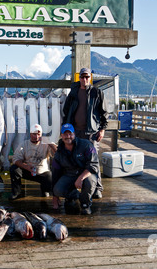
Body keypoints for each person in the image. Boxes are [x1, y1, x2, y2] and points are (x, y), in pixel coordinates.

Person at [62, 67, 108, 198]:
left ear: (90, 78)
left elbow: (104, 113)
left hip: (91, 132)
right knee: (76, 159)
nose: (85, 79)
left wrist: (102, 129)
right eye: (82, 77)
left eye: (87, 77)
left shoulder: (97, 92)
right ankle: (78, 185)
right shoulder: (73, 93)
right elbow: (66, 111)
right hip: (75, 132)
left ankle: (98, 187)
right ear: (79, 78)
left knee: (93, 159)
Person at [52, 123, 100, 215]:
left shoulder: (86, 145)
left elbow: (93, 165)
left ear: (74, 134)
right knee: (57, 190)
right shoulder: (59, 152)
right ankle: (73, 195)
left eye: (70, 133)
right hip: (69, 175)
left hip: (87, 174)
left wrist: (80, 178)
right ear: (61, 136)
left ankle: (85, 204)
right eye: (65, 134)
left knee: (89, 182)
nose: (68, 136)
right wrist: (55, 196)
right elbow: (55, 172)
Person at [9, 123, 57, 200]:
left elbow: (58, 153)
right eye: (34, 134)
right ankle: (16, 192)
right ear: (30, 134)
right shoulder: (24, 144)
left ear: (41, 134)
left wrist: (49, 142)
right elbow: (15, 159)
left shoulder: (47, 143)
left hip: (43, 172)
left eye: (38, 134)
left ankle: (45, 190)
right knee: (14, 169)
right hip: (28, 171)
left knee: (49, 176)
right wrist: (26, 166)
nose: (36, 137)